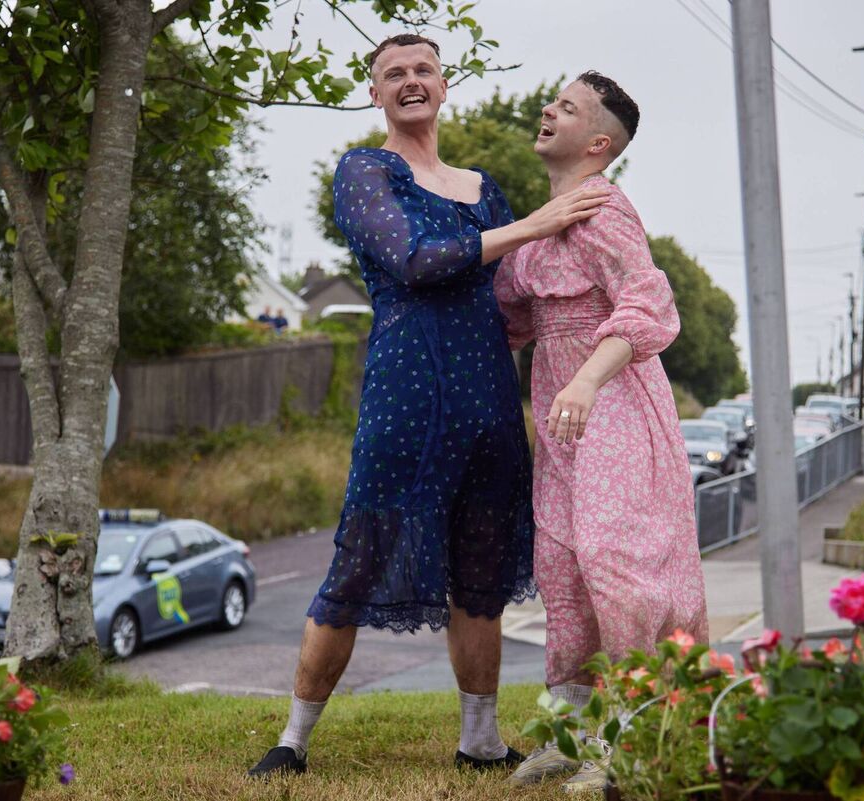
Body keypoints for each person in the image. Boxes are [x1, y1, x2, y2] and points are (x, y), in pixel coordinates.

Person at [247, 34, 609, 780]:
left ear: (444, 85)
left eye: (423, 70)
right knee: (358, 562)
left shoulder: (484, 188)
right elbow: (417, 259)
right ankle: (293, 739)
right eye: (394, 74)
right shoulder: (365, 171)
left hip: (490, 405)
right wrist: (539, 223)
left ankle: (480, 738)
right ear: (375, 94)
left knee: (481, 576)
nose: (411, 82)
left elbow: (519, 293)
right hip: (405, 400)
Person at [494, 72, 708, 792]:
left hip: (612, 399)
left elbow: (651, 303)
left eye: (568, 107)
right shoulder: (542, 224)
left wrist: (587, 377)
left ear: (598, 142)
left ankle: (628, 740)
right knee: (562, 569)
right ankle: (566, 732)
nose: (547, 109)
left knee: (616, 567)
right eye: (553, 99)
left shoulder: (603, 209)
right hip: (558, 412)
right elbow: (516, 320)